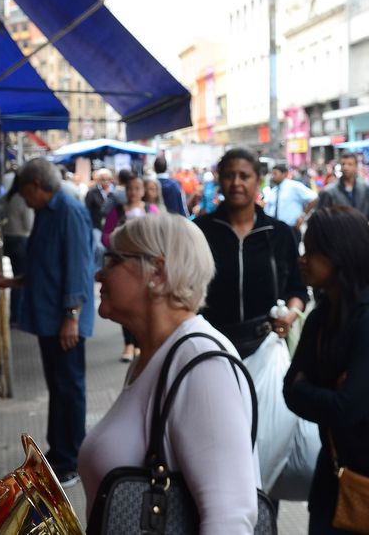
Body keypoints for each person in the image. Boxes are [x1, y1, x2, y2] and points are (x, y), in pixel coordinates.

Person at [79, 214, 260, 533]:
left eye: (112, 260)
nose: (99, 272)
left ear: (157, 273)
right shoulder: (153, 356)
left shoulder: (200, 361)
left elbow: (230, 518)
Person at [283, 206, 369, 534]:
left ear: (338, 254)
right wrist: (328, 391)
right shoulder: (321, 316)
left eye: (312, 250)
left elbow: (347, 409)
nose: (303, 258)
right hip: (332, 469)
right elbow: (289, 391)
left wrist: (312, 387)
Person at [0, 158, 95, 485]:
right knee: (59, 386)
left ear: (36, 186)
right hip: (52, 316)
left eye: (25, 193)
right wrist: (14, 282)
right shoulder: (48, 213)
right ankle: (59, 451)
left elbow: (78, 268)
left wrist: (71, 317)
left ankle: (71, 460)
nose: (25, 200)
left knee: (69, 386)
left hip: (64, 319)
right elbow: (45, 264)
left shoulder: (68, 211)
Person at [194, 149, 308, 357]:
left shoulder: (279, 233)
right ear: (220, 180)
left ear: (258, 181)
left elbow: (297, 289)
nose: (236, 182)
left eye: (244, 176)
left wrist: (290, 315)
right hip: (211, 347)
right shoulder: (200, 232)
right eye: (229, 175)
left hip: (267, 345)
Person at [104, 171, 160, 362]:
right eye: (129, 189)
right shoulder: (117, 212)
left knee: (144, 304)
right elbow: (106, 235)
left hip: (146, 266)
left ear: (143, 191)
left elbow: (159, 235)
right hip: (123, 265)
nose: (133, 192)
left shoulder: (152, 210)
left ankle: (140, 343)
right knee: (125, 302)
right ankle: (128, 344)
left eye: (137, 188)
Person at [0, 173, 35, 321]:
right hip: (21, 239)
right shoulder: (22, 199)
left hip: (9, 238)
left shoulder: (7, 197)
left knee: (17, 277)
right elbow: (29, 224)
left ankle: (16, 313)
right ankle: (18, 314)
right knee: (21, 278)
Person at [317, 152, 369, 229]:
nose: (346, 167)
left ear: (356, 166)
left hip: (363, 233)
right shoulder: (329, 191)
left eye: (350, 164)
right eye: (343, 164)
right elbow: (320, 217)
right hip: (339, 236)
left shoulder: (366, 188)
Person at [264, 163, 318, 243]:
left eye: (275, 173)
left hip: (290, 229)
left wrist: (303, 216)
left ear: (284, 174)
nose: (273, 176)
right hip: (274, 230)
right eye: (272, 174)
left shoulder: (294, 186)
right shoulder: (273, 191)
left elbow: (314, 198)